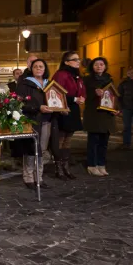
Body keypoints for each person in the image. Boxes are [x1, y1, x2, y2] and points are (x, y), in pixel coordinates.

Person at [15, 58, 56, 189]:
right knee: (31, 149)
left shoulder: (49, 84)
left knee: (42, 150)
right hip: (31, 120)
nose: (39, 68)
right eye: (36, 66)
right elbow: (20, 104)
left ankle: (39, 177)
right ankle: (28, 178)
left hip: (46, 120)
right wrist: (38, 108)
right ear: (31, 69)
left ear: (45, 69)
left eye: (41, 66)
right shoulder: (25, 84)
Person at [51, 51, 86, 179]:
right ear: (66, 62)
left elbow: (82, 90)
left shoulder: (77, 76)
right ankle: (58, 168)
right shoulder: (61, 74)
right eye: (74, 59)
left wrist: (82, 98)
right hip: (62, 110)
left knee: (68, 141)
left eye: (78, 59)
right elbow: (57, 92)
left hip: (73, 110)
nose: (78, 61)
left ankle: (65, 167)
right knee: (60, 140)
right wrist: (74, 99)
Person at [83, 57, 118, 176]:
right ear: (92, 66)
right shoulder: (87, 79)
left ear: (105, 66)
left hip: (107, 115)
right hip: (94, 114)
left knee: (104, 142)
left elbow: (113, 95)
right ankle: (92, 165)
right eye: (96, 64)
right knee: (93, 142)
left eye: (101, 64)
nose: (99, 66)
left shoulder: (109, 79)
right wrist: (94, 93)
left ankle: (101, 164)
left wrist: (115, 109)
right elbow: (83, 95)